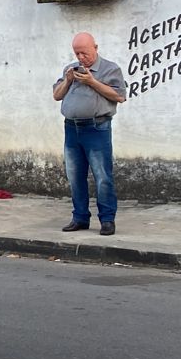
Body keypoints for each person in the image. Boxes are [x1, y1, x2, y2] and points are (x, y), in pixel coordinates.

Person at [52, 32, 127, 235]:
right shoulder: (70, 69)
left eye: (84, 53)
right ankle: (80, 217)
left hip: (97, 128)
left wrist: (92, 81)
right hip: (71, 128)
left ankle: (107, 219)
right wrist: (68, 80)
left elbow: (120, 96)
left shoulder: (110, 69)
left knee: (102, 176)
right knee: (74, 175)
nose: (80, 57)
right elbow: (56, 95)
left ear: (95, 47)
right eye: (77, 53)